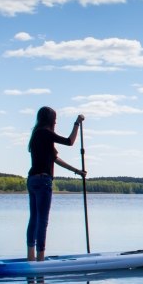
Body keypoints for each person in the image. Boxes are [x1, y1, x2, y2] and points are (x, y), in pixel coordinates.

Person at [27, 106, 86, 261]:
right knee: (42, 220)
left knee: (34, 218)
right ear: (50, 120)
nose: (56, 122)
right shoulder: (46, 133)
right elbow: (70, 141)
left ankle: (30, 257)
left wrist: (77, 171)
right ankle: (40, 259)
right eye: (55, 119)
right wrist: (76, 123)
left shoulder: (36, 135)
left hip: (32, 180)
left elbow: (55, 159)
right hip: (43, 181)